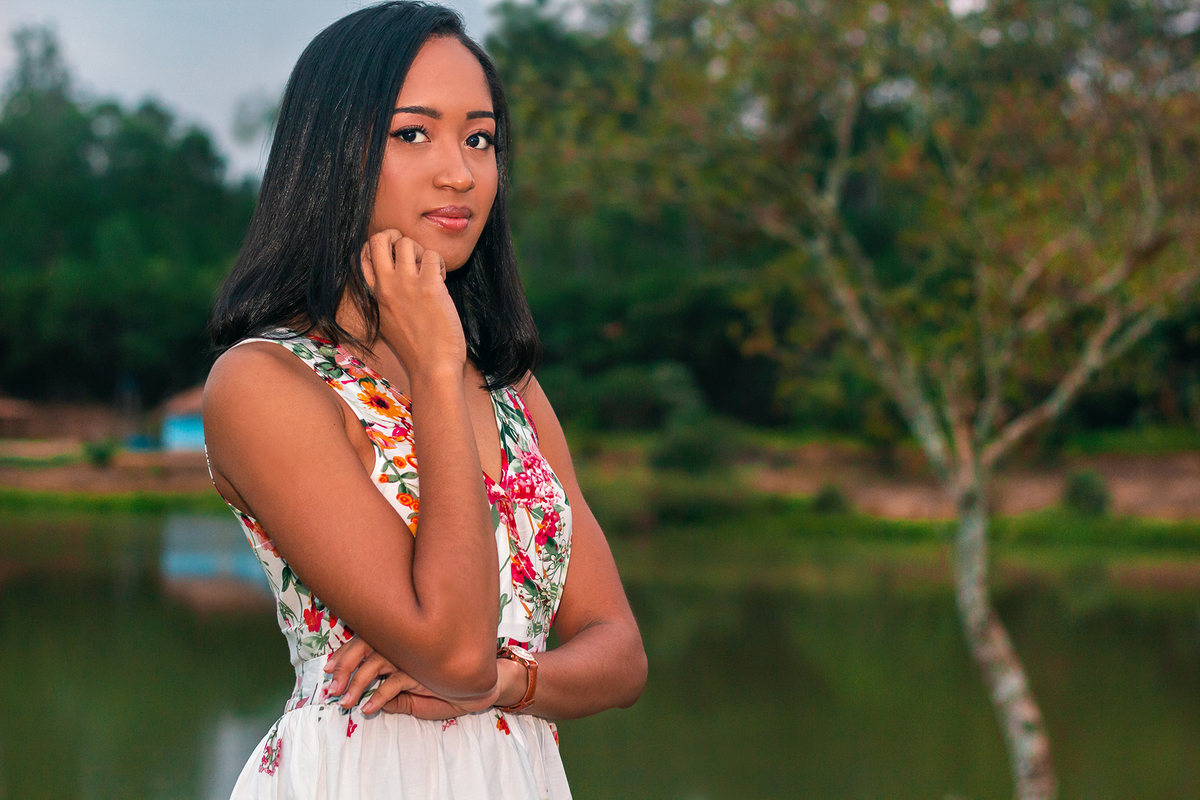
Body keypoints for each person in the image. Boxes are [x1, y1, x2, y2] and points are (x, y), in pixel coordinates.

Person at [201, 3, 647, 797]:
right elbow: (452, 650)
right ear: (331, 155)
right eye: (413, 133)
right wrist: (437, 368)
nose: (460, 173)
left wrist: (509, 682)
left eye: (480, 139)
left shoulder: (511, 390)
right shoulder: (265, 382)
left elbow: (619, 653)